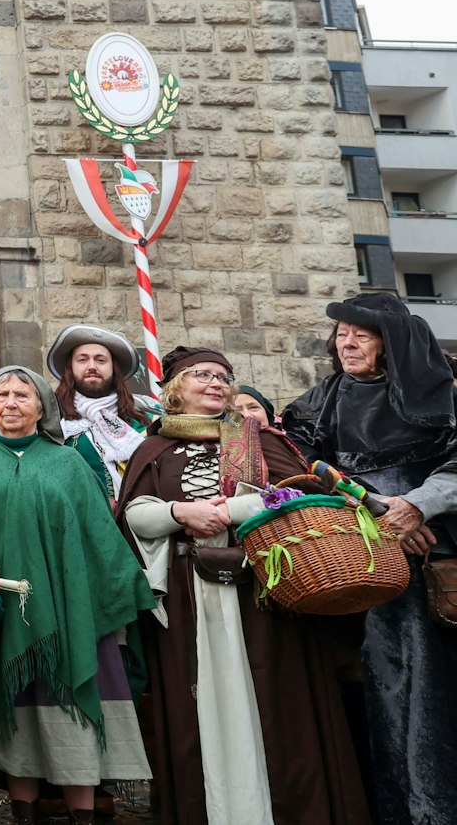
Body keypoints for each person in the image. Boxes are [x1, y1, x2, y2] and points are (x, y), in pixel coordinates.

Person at [120, 346, 371, 825]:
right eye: (203, 375)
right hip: (189, 597)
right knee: (201, 705)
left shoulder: (257, 439)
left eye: (223, 376)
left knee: (273, 701)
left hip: (261, 592)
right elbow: (133, 515)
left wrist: (231, 510)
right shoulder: (152, 449)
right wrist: (179, 511)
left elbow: (301, 492)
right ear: (176, 389)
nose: (216, 383)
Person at [0, 366, 154, 825]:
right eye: (2, 394)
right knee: (18, 712)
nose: (11, 402)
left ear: (42, 409)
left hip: (67, 606)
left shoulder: (69, 462)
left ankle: (83, 814)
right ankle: (25, 813)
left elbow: (99, 533)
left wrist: (122, 589)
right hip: (0, 609)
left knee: (70, 709)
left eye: (23, 395)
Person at [281, 295, 457, 825]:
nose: (348, 343)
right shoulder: (320, 402)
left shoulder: (445, 392)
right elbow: (298, 466)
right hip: (363, 561)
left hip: (440, 564)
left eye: (362, 334)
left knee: (439, 688)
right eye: (342, 334)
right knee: (384, 689)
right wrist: (380, 512)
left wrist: (419, 506)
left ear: (392, 341)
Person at [49, 325, 160, 498]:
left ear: (113, 368)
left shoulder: (147, 418)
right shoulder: (52, 419)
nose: (92, 366)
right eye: (82, 360)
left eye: (101, 360)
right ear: (70, 368)